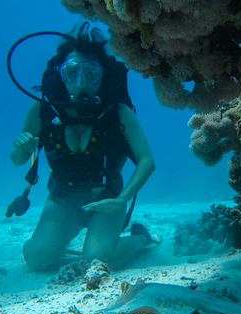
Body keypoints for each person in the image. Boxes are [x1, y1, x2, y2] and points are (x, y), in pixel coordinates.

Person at [9, 22, 157, 272]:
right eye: (71, 73)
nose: (81, 83)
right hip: (61, 199)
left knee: (98, 260)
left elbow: (147, 161)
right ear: (60, 75)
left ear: (104, 76)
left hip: (106, 199)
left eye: (92, 73)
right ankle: (62, 242)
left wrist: (120, 200)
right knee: (37, 257)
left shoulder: (118, 113)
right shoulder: (42, 110)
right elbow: (17, 160)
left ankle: (141, 237)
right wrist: (21, 148)